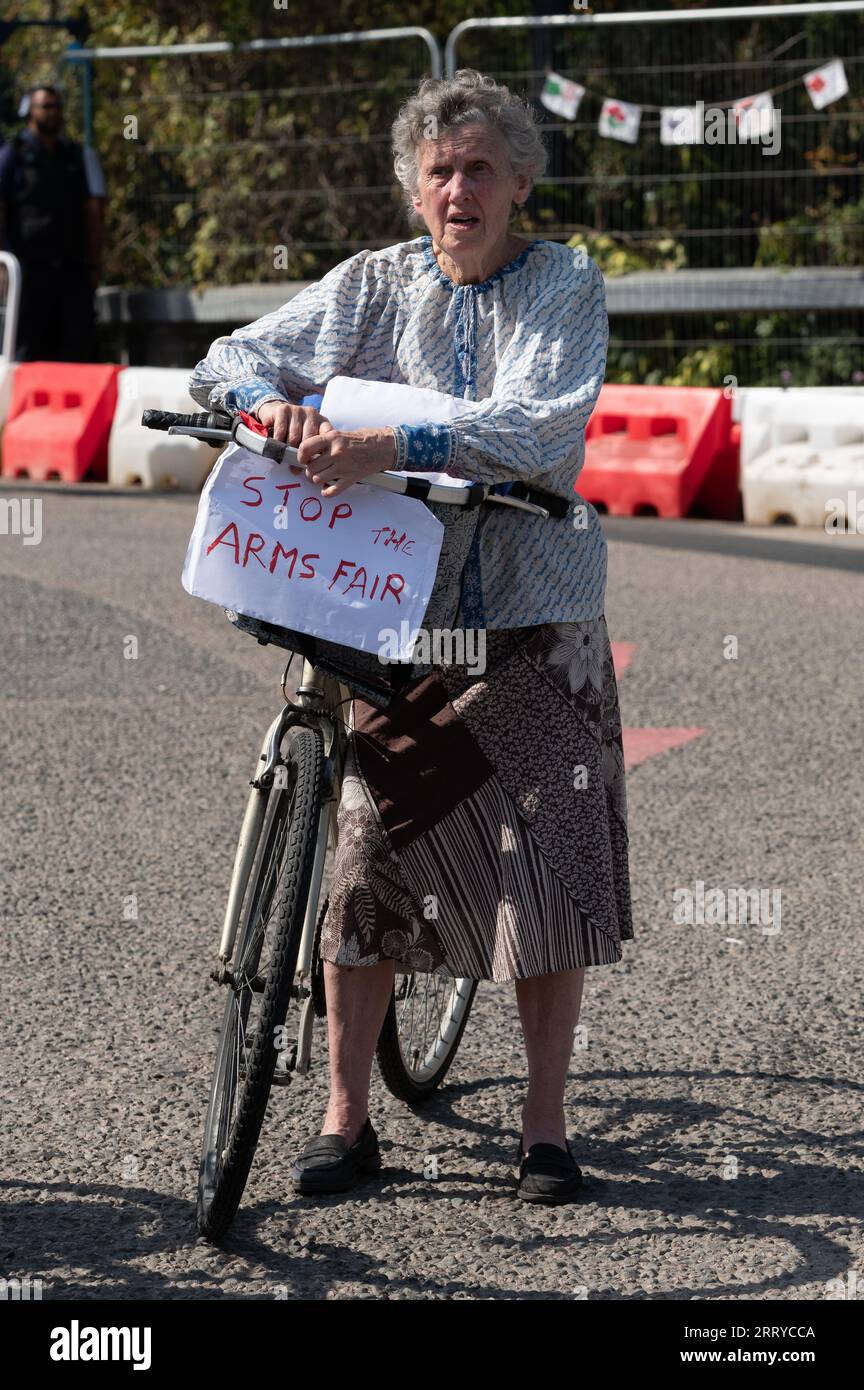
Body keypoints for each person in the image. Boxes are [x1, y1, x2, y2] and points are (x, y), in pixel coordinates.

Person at [188, 68, 633, 1205]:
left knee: (551, 870)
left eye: (480, 167)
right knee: (365, 860)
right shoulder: (370, 287)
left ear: (520, 181)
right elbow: (226, 362)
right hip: (395, 609)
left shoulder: (565, 283)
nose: (458, 189)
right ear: (412, 187)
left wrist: (391, 439)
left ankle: (544, 1122)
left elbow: (539, 426)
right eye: (438, 171)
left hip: (535, 603)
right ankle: (346, 1116)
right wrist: (269, 411)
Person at [0, 84, 106, 361]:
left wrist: (94, 262)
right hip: (29, 272)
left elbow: (92, 210)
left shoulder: (74, 155)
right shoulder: (13, 154)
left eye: (57, 106)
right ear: (30, 111)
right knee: (28, 349)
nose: (52, 112)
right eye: (45, 106)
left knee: (76, 350)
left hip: (72, 270)